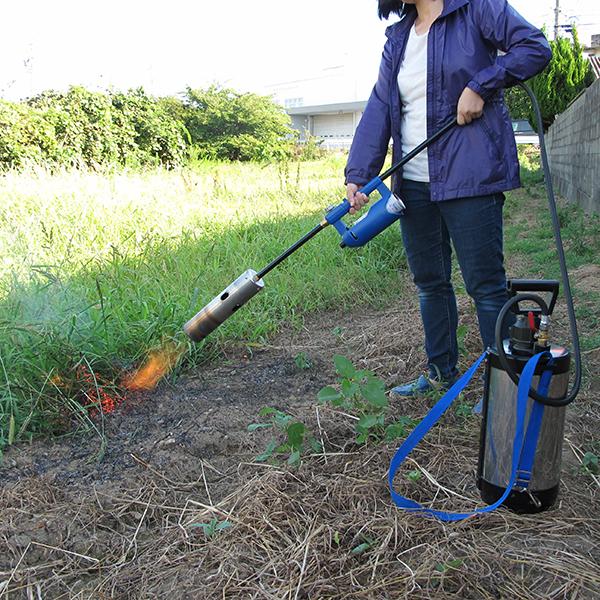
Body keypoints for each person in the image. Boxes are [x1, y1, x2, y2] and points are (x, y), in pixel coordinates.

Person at [344, 0, 551, 397]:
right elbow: (380, 106)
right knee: (430, 283)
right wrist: (359, 174)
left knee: (486, 286)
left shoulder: (477, 9)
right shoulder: (399, 36)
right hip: (415, 184)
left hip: (470, 175)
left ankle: (503, 389)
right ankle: (440, 373)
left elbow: (534, 47)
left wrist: (481, 84)